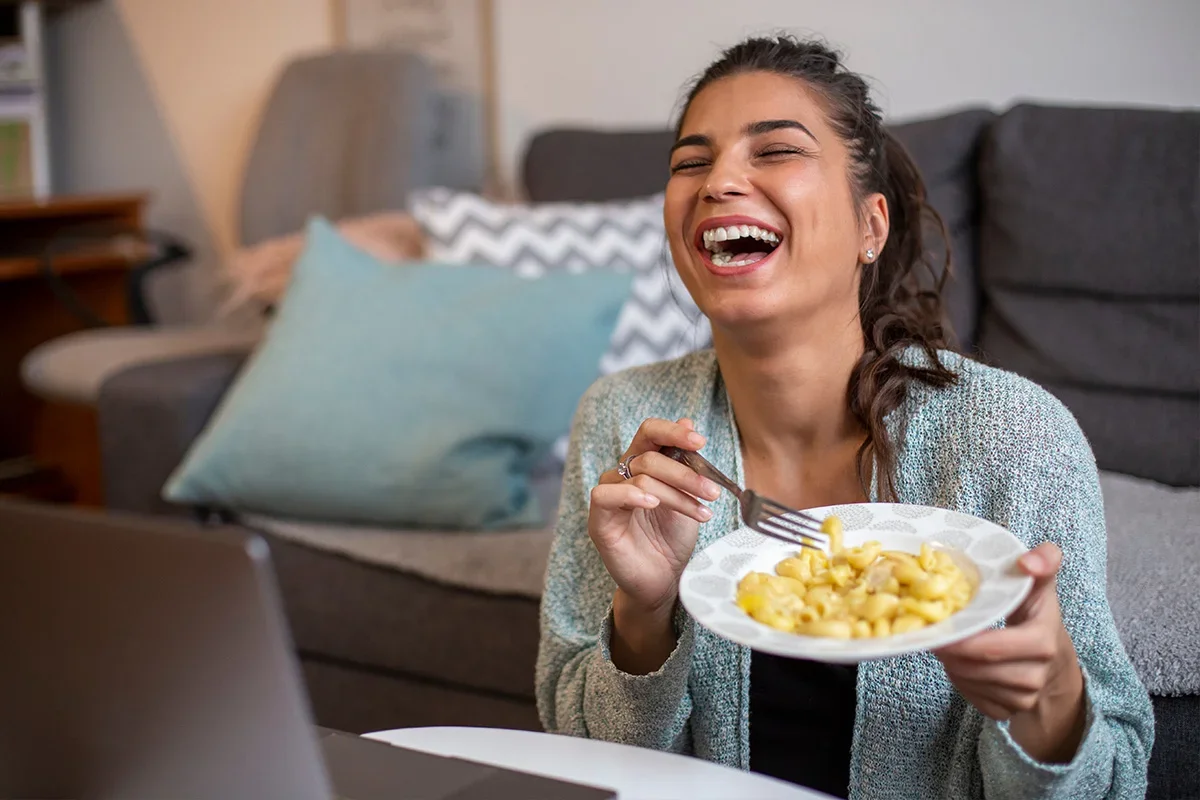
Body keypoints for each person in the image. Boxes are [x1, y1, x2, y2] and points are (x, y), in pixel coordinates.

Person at [534, 35, 1154, 799]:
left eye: (776, 151)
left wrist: (1049, 700)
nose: (719, 180)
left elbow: (1118, 778)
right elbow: (580, 758)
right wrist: (646, 611)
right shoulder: (628, 424)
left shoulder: (1016, 439)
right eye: (691, 162)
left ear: (872, 226)